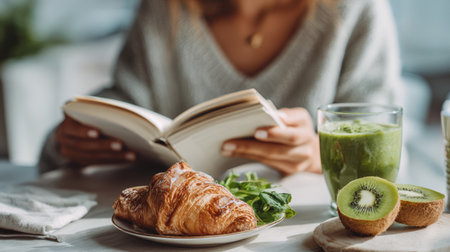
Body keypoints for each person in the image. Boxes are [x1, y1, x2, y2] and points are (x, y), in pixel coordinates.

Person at [39, 0, 403, 176]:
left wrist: (319, 156)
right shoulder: (165, 10)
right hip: (170, 237)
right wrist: (70, 141)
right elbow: (125, 107)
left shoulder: (355, 11)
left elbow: (389, 169)